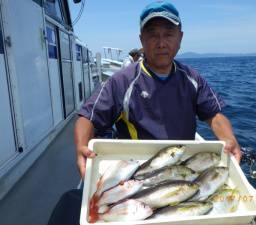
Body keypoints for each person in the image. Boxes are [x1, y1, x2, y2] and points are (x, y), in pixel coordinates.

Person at [75, 1, 242, 179]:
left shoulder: (192, 79)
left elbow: (214, 115)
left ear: (180, 37)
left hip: (183, 168)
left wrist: (229, 138)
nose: (161, 43)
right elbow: (88, 117)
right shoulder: (122, 81)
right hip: (137, 172)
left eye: (169, 34)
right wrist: (81, 147)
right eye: (153, 35)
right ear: (142, 40)